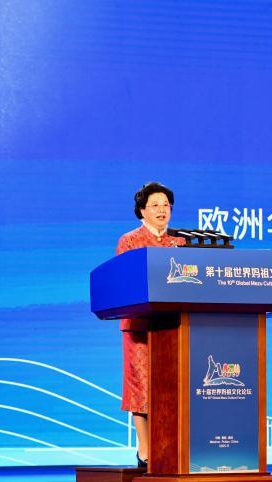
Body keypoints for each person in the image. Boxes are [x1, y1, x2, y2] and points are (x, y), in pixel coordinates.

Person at [116, 182, 185, 469]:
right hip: (140, 327)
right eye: (154, 205)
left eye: (166, 205)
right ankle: (144, 450)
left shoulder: (181, 242)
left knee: (172, 387)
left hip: (175, 326)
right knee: (141, 387)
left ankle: (171, 447)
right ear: (142, 211)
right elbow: (122, 283)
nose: (161, 210)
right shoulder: (129, 241)